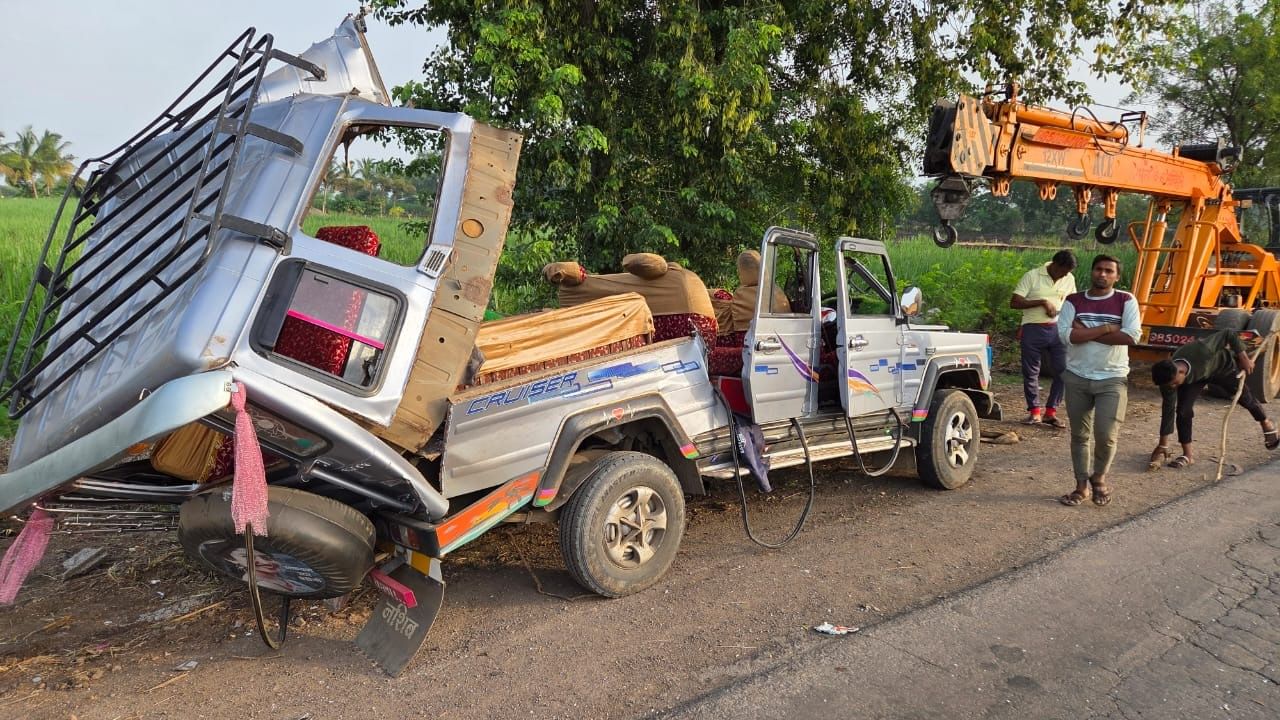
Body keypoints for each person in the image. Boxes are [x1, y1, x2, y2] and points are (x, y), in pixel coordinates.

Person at [1055, 254, 1140, 507]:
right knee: (1080, 436)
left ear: (1117, 276)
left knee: (1106, 435)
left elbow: (1131, 336)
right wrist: (1106, 328)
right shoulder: (1073, 301)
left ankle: (1099, 477)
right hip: (1077, 376)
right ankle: (1081, 486)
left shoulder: (1125, 300)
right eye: (1098, 269)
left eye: (1109, 271)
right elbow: (1066, 336)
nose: (1102, 274)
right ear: (1092, 272)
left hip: (1112, 378)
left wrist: (1085, 332)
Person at [1149, 329, 1279, 468]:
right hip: (1196, 378)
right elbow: (1168, 409)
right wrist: (1163, 444)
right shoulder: (1168, 380)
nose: (1173, 387)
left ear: (1180, 372)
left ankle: (1266, 423)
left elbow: (1228, 333)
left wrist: (1244, 359)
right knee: (1183, 411)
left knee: (1245, 398)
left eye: (1175, 383)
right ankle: (1188, 455)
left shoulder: (1203, 350)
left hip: (1221, 368)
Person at [1010, 250, 1077, 427]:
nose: (1065, 275)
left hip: (1058, 329)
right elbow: (1014, 302)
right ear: (1055, 265)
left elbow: (1072, 303)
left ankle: (1051, 412)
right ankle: (1034, 412)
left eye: (1068, 272)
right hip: (1033, 328)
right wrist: (1042, 302)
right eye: (1063, 271)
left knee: (1064, 371)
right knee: (1031, 372)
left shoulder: (1069, 278)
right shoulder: (1032, 276)